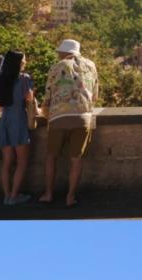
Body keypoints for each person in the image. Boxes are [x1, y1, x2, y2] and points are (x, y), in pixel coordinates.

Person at [40, 38, 99, 207]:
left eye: (59, 53)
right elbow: (95, 95)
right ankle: (70, 197)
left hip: (59, 117)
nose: (58, 55)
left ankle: (48, 194)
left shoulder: (58, 67)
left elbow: (48, 94)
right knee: (76, 159)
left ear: (64, 53)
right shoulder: (91, 65)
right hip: (83, 117)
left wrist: (44, 112)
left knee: (51, 157)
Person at [0, 49, 36, 206]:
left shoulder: (1, 79)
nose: (25, 62)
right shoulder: (24, 79)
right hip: (18, 119)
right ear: (18, 63)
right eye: (23, 60)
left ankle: (6, 195)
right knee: (22, 162)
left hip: (5, 120)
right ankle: (14, 196)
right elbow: (29, 99)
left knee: (7, 162)